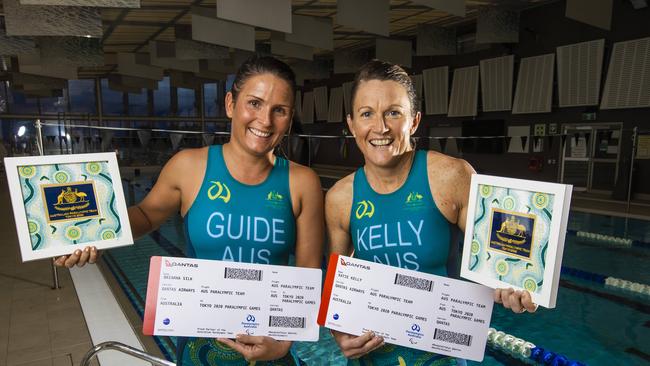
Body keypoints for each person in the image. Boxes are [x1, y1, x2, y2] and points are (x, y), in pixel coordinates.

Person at [55, 56, 324, 365]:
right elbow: (146, 215)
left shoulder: (302, 182)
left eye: (279, 110)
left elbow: (308, 276)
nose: (265, 120)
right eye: (254, 103)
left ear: (289, 119)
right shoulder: (189, 166)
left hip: (271, 348)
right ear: (229, 104)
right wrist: (95, 233)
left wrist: (284, 342)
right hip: (201, 347)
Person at [325, 60, 536, 365]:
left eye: (393, 113)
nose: (380, 127)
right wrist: (337, 331)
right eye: (367, 113)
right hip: (370, 358)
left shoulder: (451, 176)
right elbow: (336, 289)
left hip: (440, 356)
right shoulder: (340, 197)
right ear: (351, 123)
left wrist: (518, 286)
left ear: (414, 121)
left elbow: (501, 261)